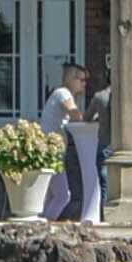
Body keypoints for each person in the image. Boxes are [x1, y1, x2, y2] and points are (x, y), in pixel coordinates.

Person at [41, 64, 93, 223]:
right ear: (71, 79)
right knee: (63, 195)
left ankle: (44, 222)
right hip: (51, 151)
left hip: (52, 149)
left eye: (86, 80)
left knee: (51, 195)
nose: (84, 84)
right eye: (81, 80)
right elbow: (75, 115)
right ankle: (45, 223)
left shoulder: (63, 94)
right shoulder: (62, 93)